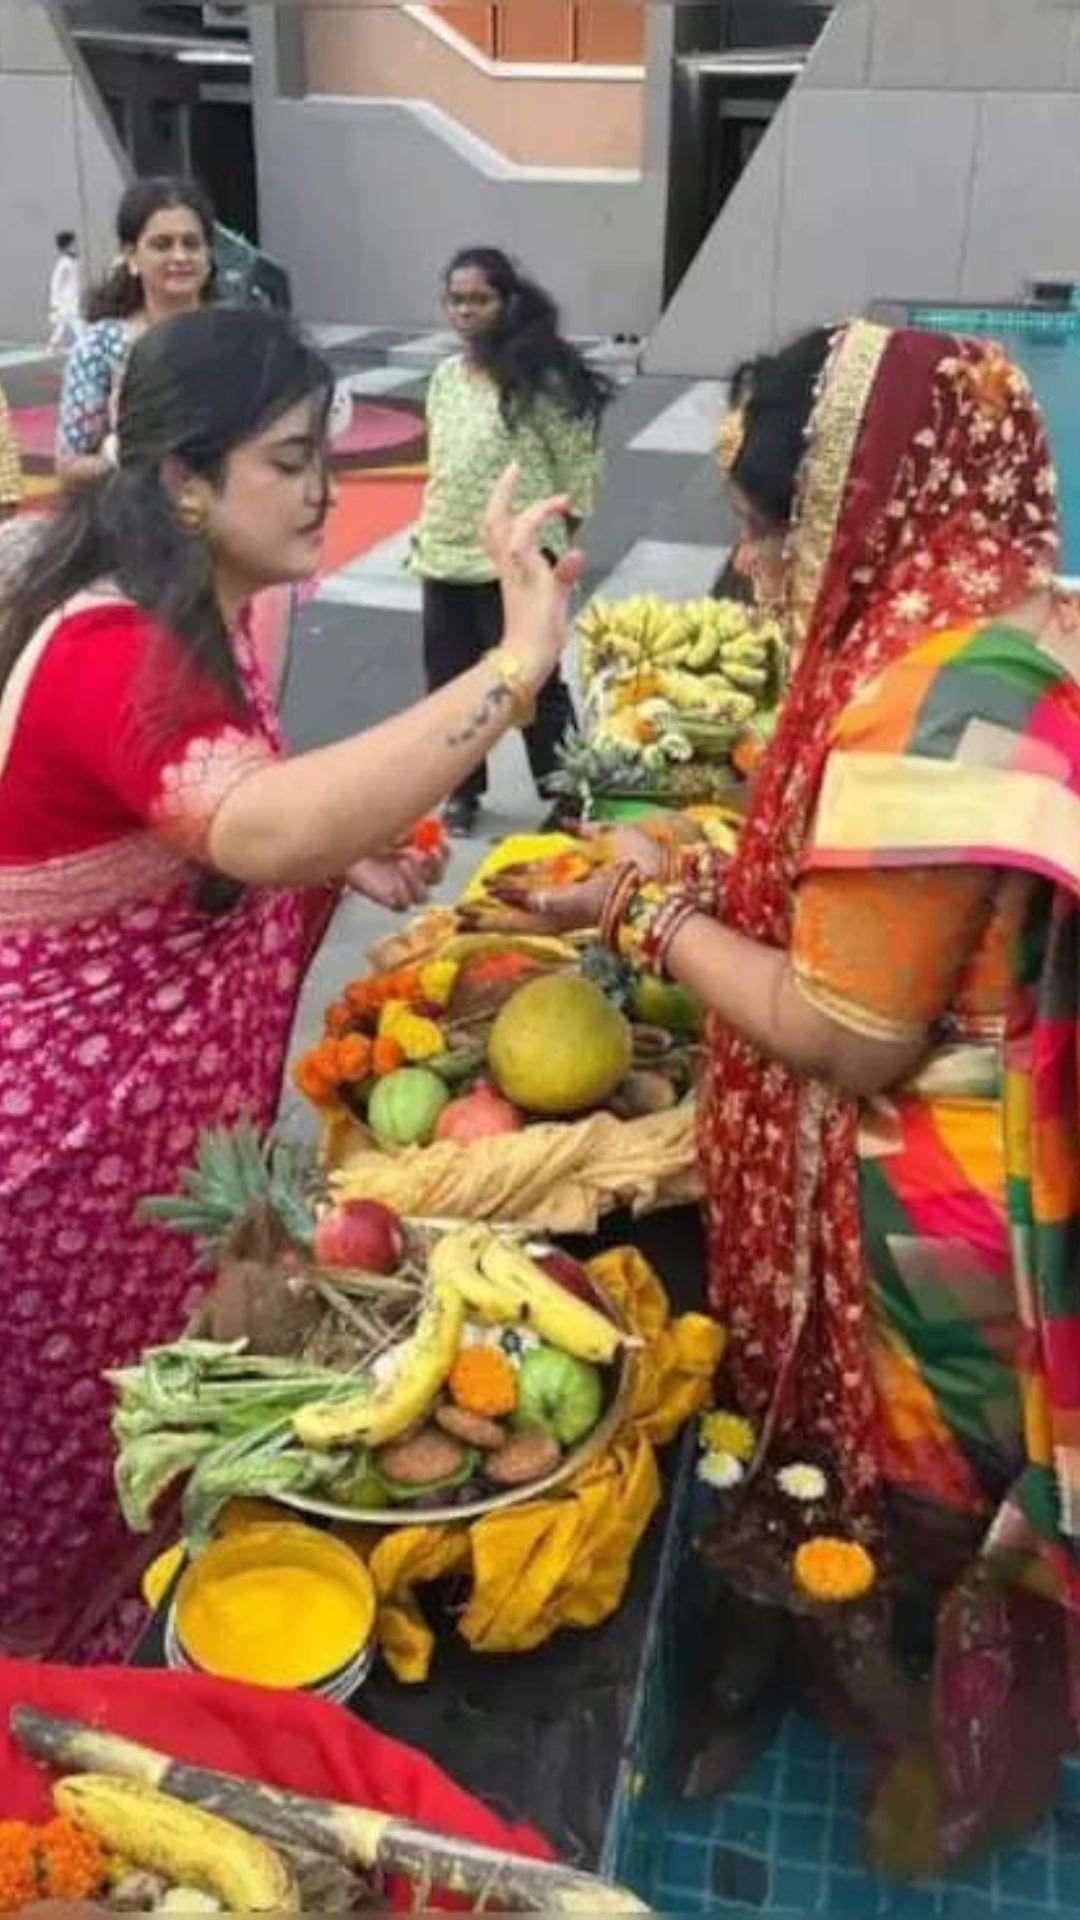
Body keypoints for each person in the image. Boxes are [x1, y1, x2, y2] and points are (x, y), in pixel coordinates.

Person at [498, 321, 1080, 1870]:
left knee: (914, 1515)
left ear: (872, 504)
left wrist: (646, 918)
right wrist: (697, 874)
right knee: (901, 1507)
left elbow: (846, 1028)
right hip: (967, 1169)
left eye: (771, 524)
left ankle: (935, 1766)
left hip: (911, 1217)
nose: (752, 565)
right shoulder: (1008, 615)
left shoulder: (937, 690)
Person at [0, 304, 581, 1664]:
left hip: (133, 1160)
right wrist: (514, 668)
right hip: (58, 1167)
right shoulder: (106, 649)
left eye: (323, 454)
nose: (322, 487)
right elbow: (260, 824)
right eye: (288, 459)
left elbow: (226, 833)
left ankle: (114, 1676)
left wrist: (340, 852)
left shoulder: (196, 623)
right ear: (185, 483)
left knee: (130, 1437)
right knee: (66, 1466)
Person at [411, 246, 612, 835]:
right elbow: (440, 459)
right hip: (445, 553)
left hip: (519, 558)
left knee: (534, 681)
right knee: (450, 685)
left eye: (480, 299)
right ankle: (463, 791)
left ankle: (568, 794)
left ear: (507, 302)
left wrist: (555, 538)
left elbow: (579, 465)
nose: (465, 311)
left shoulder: (539, 381)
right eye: (456, 300)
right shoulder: (446, 378)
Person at [56, 178, 215, 489]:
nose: (180, 256)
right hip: (139, 513)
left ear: (208, 255)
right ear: (131, 256)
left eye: (191, 243)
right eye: (162, 244)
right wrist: (128, 457)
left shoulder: (239, 338)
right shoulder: (100, 347)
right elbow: (69, 468)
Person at [46, 230, 81, 353]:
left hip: (72, 298)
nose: (75, 245)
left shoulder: (73, 260)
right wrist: (55, 302)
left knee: (62, 325)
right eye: (73, 243)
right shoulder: (63, 263)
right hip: (66, 301)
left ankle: (51, 346)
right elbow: (55, 283)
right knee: (76, 323)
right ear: (66, 246)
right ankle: (83, 344)